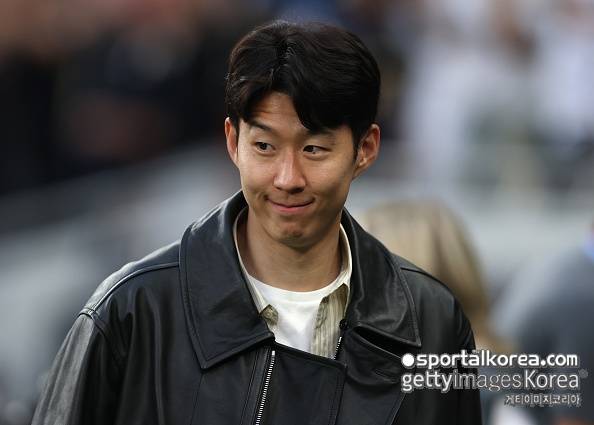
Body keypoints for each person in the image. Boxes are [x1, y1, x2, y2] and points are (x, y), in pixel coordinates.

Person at [32, 21, 482, 424]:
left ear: (365, 150)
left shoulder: (431, 318)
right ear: (233, 142)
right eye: (264, 147)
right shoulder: (134, 311)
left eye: (314, 149)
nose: (288, 178)